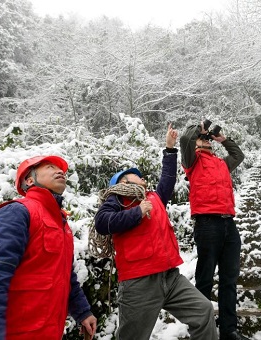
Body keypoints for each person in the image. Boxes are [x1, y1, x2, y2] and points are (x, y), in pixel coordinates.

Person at [93, 124, 217, 340]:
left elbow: (167, 179)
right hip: (138, 283)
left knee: (203, 310)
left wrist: (169, 149)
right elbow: (102, 223)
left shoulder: (153, 197)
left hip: (170, 277)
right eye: (136, 176)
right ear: (123, 181)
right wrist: (137, 213)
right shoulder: (117, 199)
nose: (142, 178)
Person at [0, 155, 97, 340]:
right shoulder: (16, 212)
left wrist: (83, 312)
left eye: (62, 170)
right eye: (50, 167)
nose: (60, 172)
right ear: (29, 179)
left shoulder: (61, 223)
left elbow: (65, 275)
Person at [180, 120, 248, 340]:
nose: (205, 141)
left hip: (229, 223)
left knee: (229, 278)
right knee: (205, 279)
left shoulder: (221, 163)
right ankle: (203, 330)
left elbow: (238, 156)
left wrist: (223, 139)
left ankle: (229, 330)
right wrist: (197, 129)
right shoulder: (193, 162)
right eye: (203, 139)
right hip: (207, 224)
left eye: (207, 139)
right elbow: (185, 140)